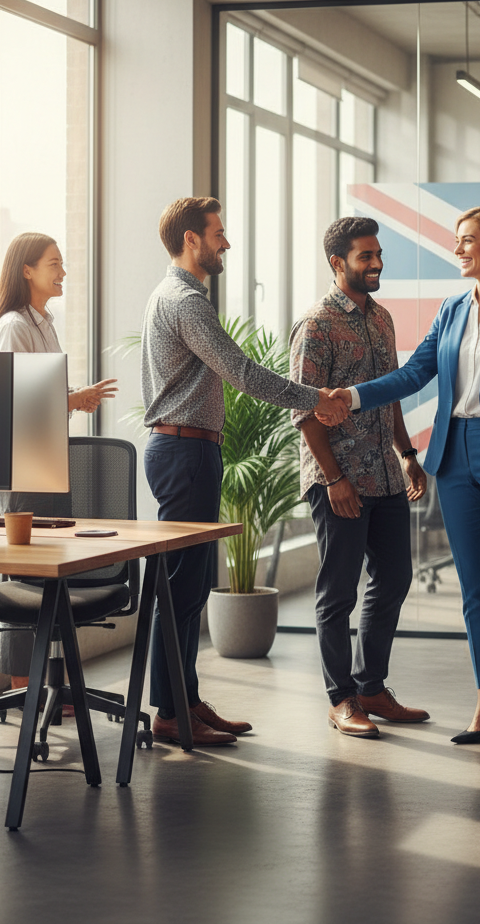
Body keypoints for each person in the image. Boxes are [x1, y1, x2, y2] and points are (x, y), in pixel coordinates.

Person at [330, 205, 480, 754]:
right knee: (473, 588)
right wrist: (355, 396)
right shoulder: (452, 309)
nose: (457, 250)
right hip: (455, 455)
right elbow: (414, 374)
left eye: (467, 241)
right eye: (457, 241)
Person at [141, 196, 348, 747]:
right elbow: (241, 371)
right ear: (191, 240)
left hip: (191, 451)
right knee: (183, 589)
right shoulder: (184, 301)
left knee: (190, 586)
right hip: (183, 453)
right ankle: (168, 712)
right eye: (218, 234)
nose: (226, 243)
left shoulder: (176, 296)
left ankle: (185, 699)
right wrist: (315, 397)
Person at [289, 217, 430, 738]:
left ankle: (371, 687)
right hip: (339, 479)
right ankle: (341, 698)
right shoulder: (316, 325)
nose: (376, 263)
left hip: (386, 474)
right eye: (365, 256)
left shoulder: (383, 319)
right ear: (337, 263)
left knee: (394, 579)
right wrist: (333, 479)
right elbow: (303, 410)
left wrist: (408, 453)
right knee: (338, 592)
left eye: (378, 254)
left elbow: (387, 392)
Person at [0, 231, 118, 686]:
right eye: (54, 264)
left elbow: (42, 393)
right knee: (27, 576)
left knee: (51, 573)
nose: (63, 273)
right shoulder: (13, 326)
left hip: (47, 461)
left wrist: (72, 399)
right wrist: (72, 399)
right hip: (24, 465)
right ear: (27, 270)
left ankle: (49, 683)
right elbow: (15, 403)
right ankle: (23, 689)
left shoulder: (43, 322)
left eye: (62, 264)